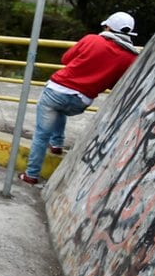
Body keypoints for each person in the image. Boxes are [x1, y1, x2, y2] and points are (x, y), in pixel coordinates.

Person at [19, 11, 139, 185]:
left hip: (56, 91)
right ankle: (57, 144)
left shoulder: (92, 39)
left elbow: (65, 59)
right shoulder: (131, 58)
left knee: (41, 134)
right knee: (59, 110)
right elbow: (115, 84)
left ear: (108, 27)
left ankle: (31, 175)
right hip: (80, 101)